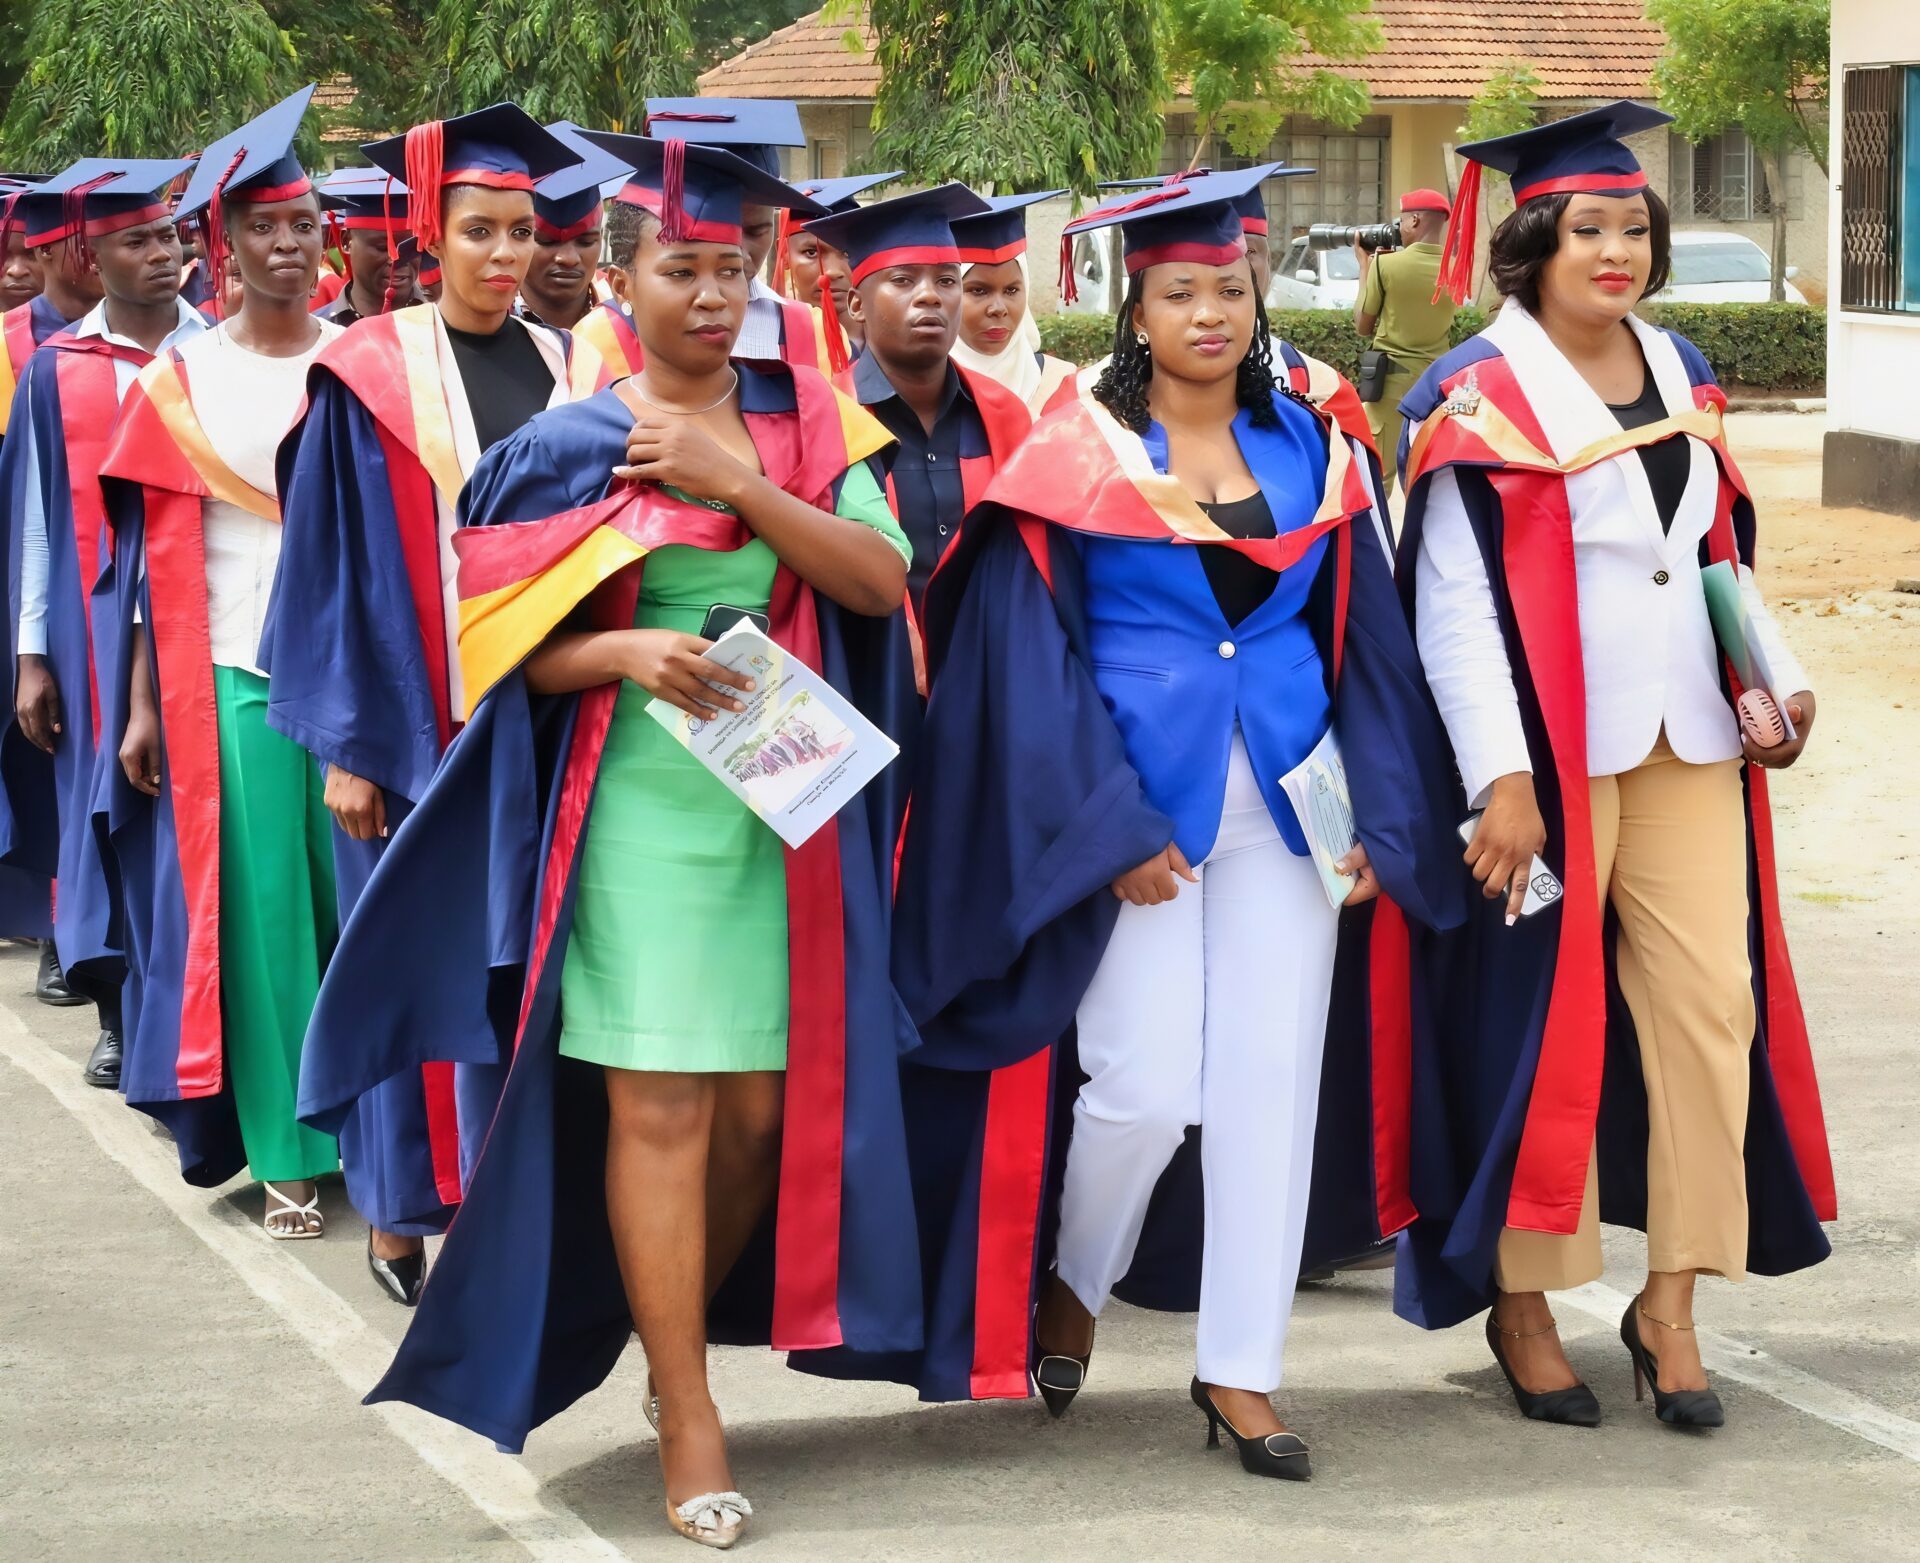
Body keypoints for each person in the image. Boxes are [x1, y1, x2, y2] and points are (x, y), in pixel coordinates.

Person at [296, 134, 921, 1551]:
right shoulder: (562, 444)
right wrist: (622, 646)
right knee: (659, 1106)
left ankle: (677, 1329)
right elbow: (495, 651)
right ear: (621, 278)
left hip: (781, 809)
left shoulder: (814, 417)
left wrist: (741, 480)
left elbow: (880, 582)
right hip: (635, 806)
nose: (711, 292)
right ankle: (689, 1402)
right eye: (680, 266)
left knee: (759, 1112)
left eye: (731, 267)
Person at [889, 171, 1463, 1477]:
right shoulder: (1073, 448)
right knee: (1145, 1083)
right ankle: (1077, 1274)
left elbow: (1360, 634)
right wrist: (1108, 822)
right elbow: (1031, 655)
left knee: (1269, 1085)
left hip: (1288, 799)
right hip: (1138, 813)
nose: (1209, 310)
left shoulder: (1310, 444)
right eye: (1179, 291)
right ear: (1132, 307)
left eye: (1228, 287)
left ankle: (1241, 1369)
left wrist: (1381, 802)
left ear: (1258, 297)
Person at [1394, 102, 1833, 1431]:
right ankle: (1526, 1299)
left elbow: (1714, 559)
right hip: (1552, 760)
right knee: (1543, 1025)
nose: (1617, 250)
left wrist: (1778, 684)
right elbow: (1456, 603)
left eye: (1634, 228)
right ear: (1532, 242)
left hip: (1691, 741)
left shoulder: (1682, 365)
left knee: (1715, 1009)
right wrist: (1499, 778)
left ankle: (1671, 1299)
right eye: (1589, 228)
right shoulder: (1477, 392)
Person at [263, 103, 604, 1303]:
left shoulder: (574, 366)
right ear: (431, 234)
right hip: (409, 725)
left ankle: (508, 1201)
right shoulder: (365, 372)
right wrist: (339, 749)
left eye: (521, 230)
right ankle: (400, 1210)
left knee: (522, 968)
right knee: (412, 957)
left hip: (538, 715)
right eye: (481, 232)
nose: (508, 255)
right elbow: (328, 574)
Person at [95, 90, 345, 1230]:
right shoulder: (181, 381)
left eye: (302, 224)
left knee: (360, 906)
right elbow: (153, 560)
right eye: (262, 227)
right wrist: (144, 702)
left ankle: (377, 1128)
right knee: (266, 920)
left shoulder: (368, 364)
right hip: (236, 674)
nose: (285, 245)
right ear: (224, 242)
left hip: (357, 682)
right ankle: (289, 1149)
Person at [1, 156, 204, 1090]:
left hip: (203, 619)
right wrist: (31, 652)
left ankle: (199, 1008)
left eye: (169, 235)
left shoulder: (216, 350)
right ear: (90, 254)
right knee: (109, 819)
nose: (164, 253)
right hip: (89, 640)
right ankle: (120, 1012)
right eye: (139, 240)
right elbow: (39, 518)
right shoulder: (57, 368)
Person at [803, 184, 1032, 625]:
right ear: (857, 304)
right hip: (872, 669)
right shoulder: (825, 417)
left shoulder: (1004, 415)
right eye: (903, 280)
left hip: (990, 665)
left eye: (947, 280)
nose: (930, 295)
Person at [1353, 188, 1454, 493]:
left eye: (1400, 222)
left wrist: (1364, 267)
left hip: (1391, 388)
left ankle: (1380, 541)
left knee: (1379, 478)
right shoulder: (1456, 268)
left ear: (1414, 220)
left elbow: (1362, 325)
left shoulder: (1387, 265)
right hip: (1437, 388)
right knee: (1426, 479)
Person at [950, 191, 1079, 416]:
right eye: (978, 291)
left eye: (1012, 290)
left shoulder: (1060, 383)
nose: (999, 308)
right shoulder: (924, 393)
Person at [777, 171, 898, 370]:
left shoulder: (894, 340)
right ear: (783, 254)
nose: (832, 271)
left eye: (848, 253)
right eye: (811, 252)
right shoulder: (768, 341)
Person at [516, 124, 625, 330]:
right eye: (547, 241)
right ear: (519, 237)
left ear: (601, 237)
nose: (568, 258)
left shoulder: (627, 312)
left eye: (586, 241)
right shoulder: (487, 315)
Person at [312, 166, 417, 324]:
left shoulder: (443, 328)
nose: (397, 258)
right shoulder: (318, 333)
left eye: (410, 244)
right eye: (383, 248)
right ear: (346, 241)